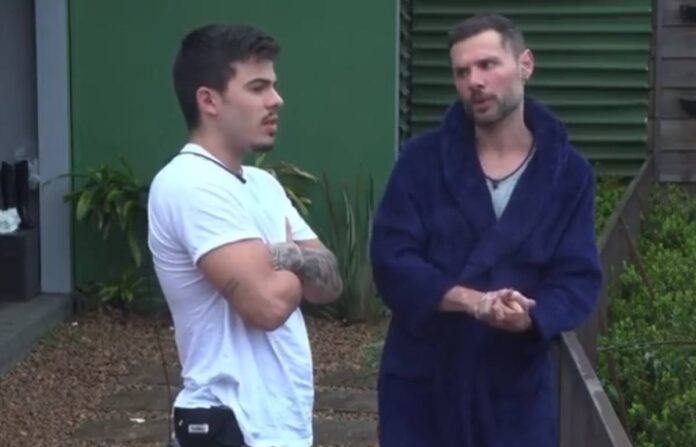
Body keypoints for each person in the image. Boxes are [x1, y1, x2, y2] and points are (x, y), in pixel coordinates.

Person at [370, 14, 602, 447]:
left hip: (513, 391)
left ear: (525, 64)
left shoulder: (570, 176)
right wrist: (472, 302)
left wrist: (531, 316)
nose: (474, 81)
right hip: (424, 385)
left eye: (488, 65)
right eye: (462, 72)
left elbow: (577, 277)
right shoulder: (420, 161)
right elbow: (391, 259)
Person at [147, 24, 343, 447]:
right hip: (228, 423)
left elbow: (330, 285)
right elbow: (267, 306)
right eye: (258, 87)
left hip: (278, 424)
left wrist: (285, 258)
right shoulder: (190, 183)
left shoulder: (262, 184)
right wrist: (295, 261)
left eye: (273, 85)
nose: (276, 100)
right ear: (209, 100)